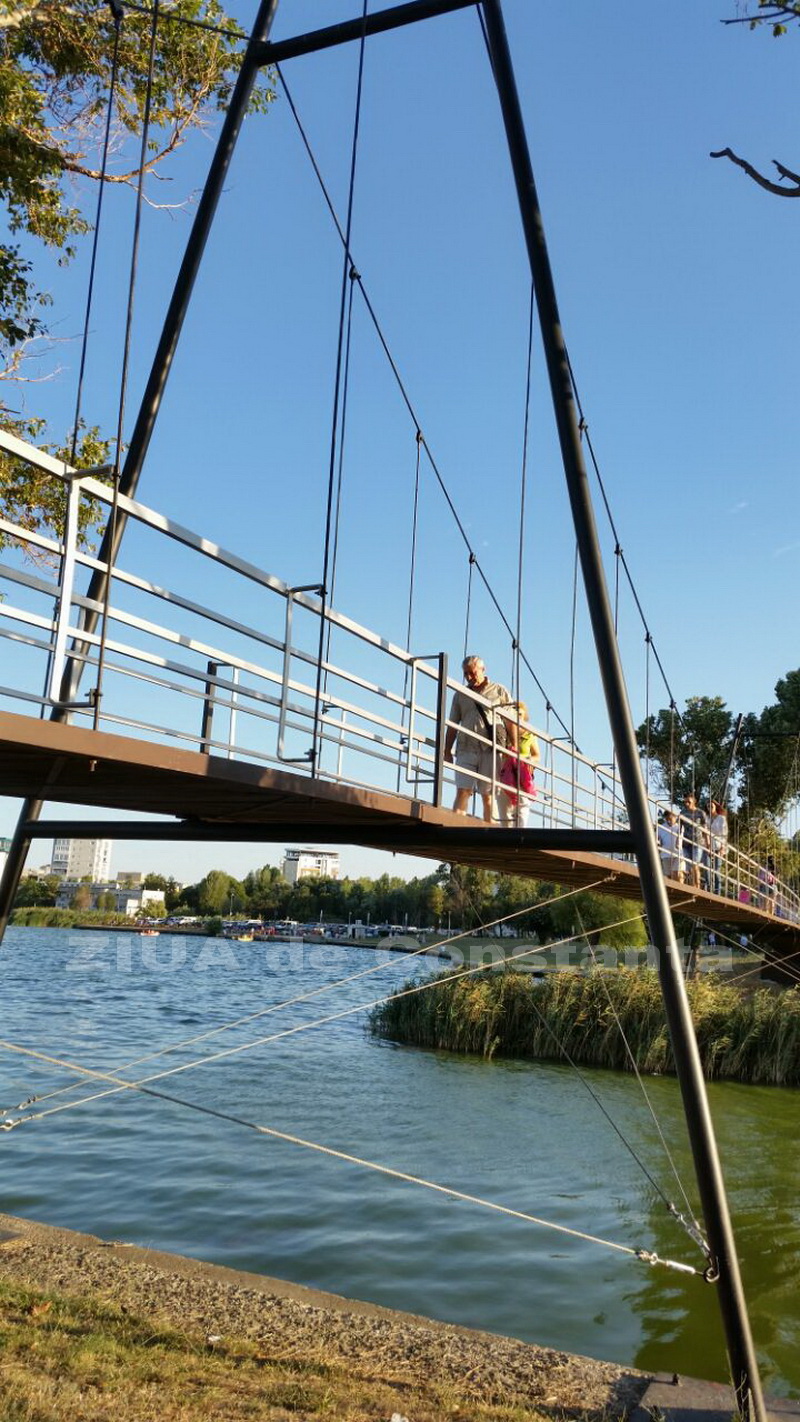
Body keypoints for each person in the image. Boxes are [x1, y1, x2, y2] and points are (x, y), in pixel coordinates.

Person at [444, 655, 515, 822]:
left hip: (490, 749)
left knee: (487, 795)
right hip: (466, 748)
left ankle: (488, 830)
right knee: (463, 790)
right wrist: (446, 750)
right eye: (465, 673)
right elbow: (452, 724)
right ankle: (456, 826)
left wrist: (513, 749)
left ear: (483, 670)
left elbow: (511, 721)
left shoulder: (499, 690)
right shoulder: (460, 694)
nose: (469, 677)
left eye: (472, 673)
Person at [497, 701, 540, 826]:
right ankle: (506, 837)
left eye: (520, 714)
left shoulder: (530, 735)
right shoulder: (503, 732)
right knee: (504, 806)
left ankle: (520, 835)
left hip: (521, 773)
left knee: (522, 806)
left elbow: (537, 755)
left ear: (525, 716)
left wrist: (530, 760)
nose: (518, 717)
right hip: (505, 773)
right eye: (515, 714)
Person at [680, 794, 707, 889]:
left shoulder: (700, 813)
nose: (686, 804)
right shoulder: (682, 813)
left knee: (695, 864)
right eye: (685, 802)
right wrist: (677, 841)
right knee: (689, 866)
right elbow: (679, 828)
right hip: (686, 842)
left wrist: (708, 843)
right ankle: (691, 885)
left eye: (689, 802)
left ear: (694, 802)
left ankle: (696, 886)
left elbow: (705, 829)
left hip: (698, 842)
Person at [708, 800, 728, 897]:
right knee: (707, 868)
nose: (709, 808)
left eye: (711, 806)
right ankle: (708, 889)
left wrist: (722, 848)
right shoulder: (707, 819)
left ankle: (717, 892)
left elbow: (724, 834)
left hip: (718, 846)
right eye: (708, 806)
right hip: (708, 846)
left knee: (716, 869)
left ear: (715, 807)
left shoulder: (721, 819)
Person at [657, 808, 682, 881]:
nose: (668, 820)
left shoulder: (679, 827)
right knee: (668, 876)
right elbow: (657, 838)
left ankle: (679, 889)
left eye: (670, 818)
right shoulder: (661, 827)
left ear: (675, 817)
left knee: (677, 874)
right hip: (665, 854)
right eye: (667, 819)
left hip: (678, 854)